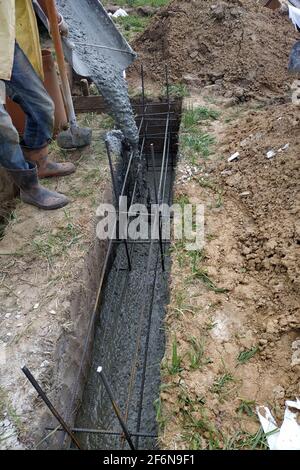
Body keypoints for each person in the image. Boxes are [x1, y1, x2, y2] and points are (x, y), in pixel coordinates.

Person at [0, 0, 76, 210]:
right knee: (2, 128)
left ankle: (39, 162)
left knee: (41, 104)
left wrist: (55, 18)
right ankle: (29, 187)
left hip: (4, 40)